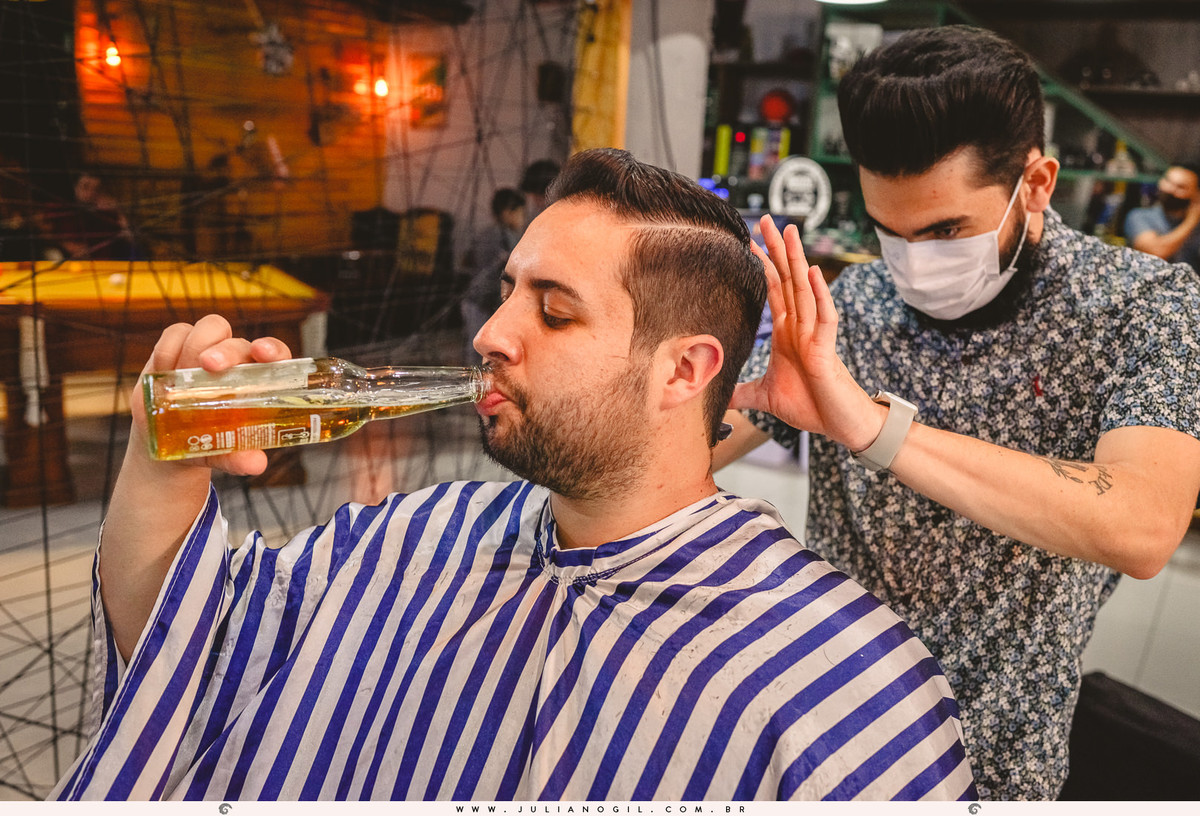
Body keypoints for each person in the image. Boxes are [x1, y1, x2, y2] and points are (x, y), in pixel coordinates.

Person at [52, 149, 975, 801]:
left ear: (683, 372)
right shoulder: (407, 537)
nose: (492, 334)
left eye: (555, 312)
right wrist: (162, 465)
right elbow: (189, 643)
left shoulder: (840, 688)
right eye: (506, 294)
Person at [717, 26, 1200, 801]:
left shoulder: (1137, 308)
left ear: (1036, 183)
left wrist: (871, 426)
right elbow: (711, 435)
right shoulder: (859, 301)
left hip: (988, 760)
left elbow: (1143, 525)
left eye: (945, 231)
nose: (913, 262)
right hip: (814, 718)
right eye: (890, 232)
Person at [460, 187, 526, 362]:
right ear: (507, 213)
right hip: (482, 301)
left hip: (475, 300)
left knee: (475, 345)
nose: (522, 219)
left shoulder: (486, 233)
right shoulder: (505, 236)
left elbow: (466, 260)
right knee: (479, 349)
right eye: (520, 213)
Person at [1124, 163, 1200, 273]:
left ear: (1196, 194)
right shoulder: (1140, 216)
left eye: (1181, 187)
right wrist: (1192, 220)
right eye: (1168, 181)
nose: (1170, 189)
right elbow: (1156, 251)